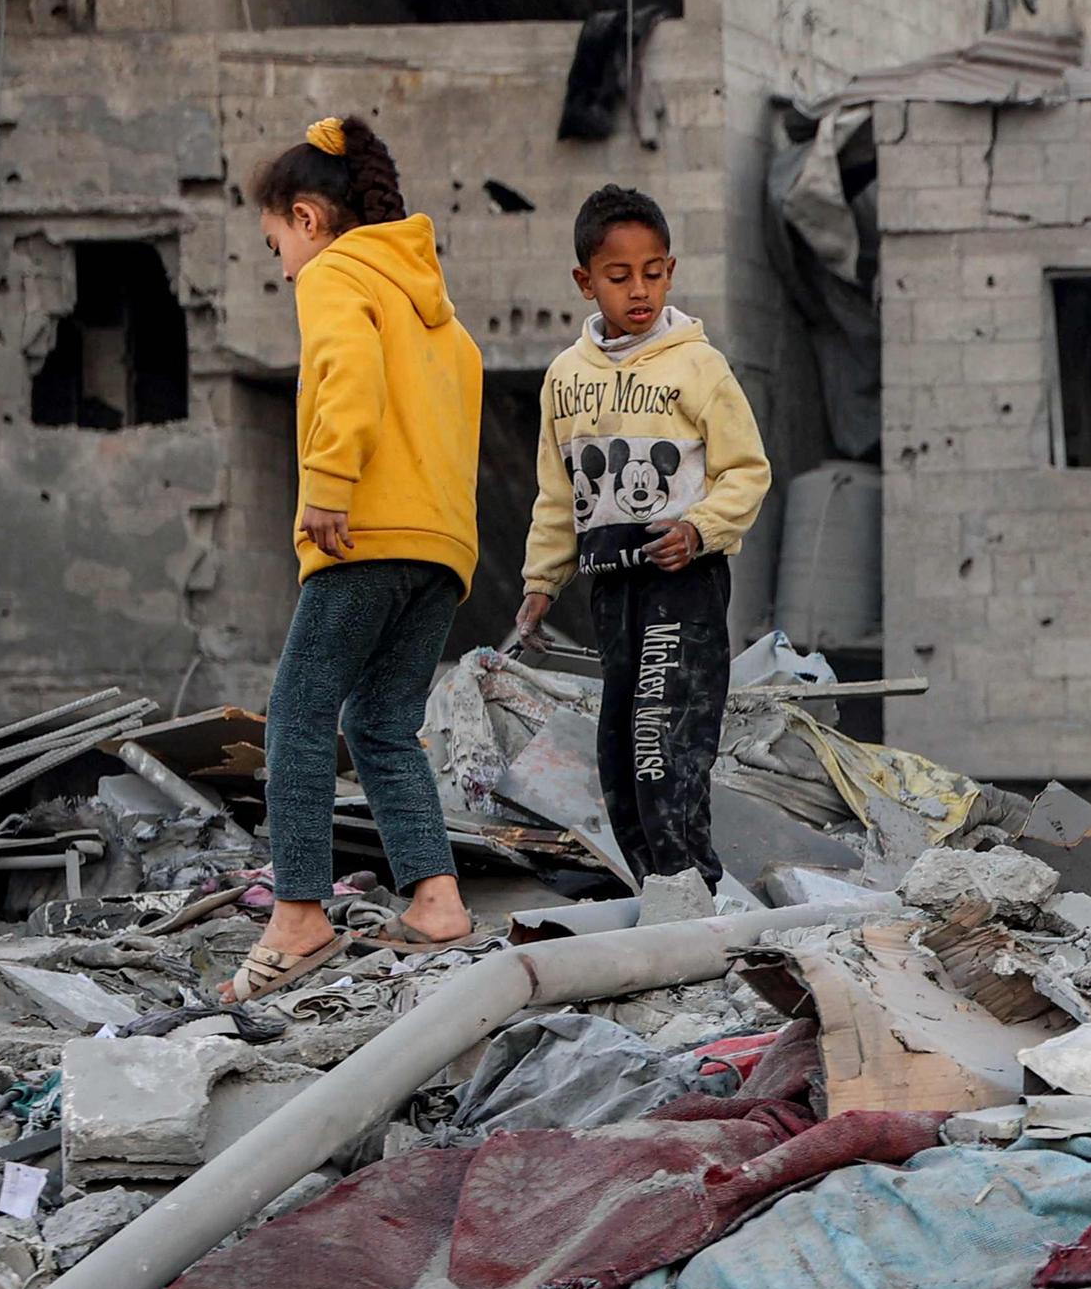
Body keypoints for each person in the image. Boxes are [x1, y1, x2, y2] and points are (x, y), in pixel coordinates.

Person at [229, 116, 486, 1003]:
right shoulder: (439, 316)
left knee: (299, 712)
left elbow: (349, 376)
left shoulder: (338, 275)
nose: (284, 268)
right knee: (381, 721)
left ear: (307, 219)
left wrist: (329, 483)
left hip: (362, 533)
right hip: (441, 551)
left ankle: (299, 912)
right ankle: (438, 898)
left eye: (277, 247)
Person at [510, 185, 772, 884]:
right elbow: (557, 490)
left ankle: (696, 891)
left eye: (653, 273)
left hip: (682, 581)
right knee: (620, 751)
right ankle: (659, 892)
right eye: (619, 276)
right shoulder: (565, 378)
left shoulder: (698, 367)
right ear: (584, 281)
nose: (640, 291)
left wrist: (699, 528)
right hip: (610, 586)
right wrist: (541, 583)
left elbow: (746, 471)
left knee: (666, 746)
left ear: (671, 270)